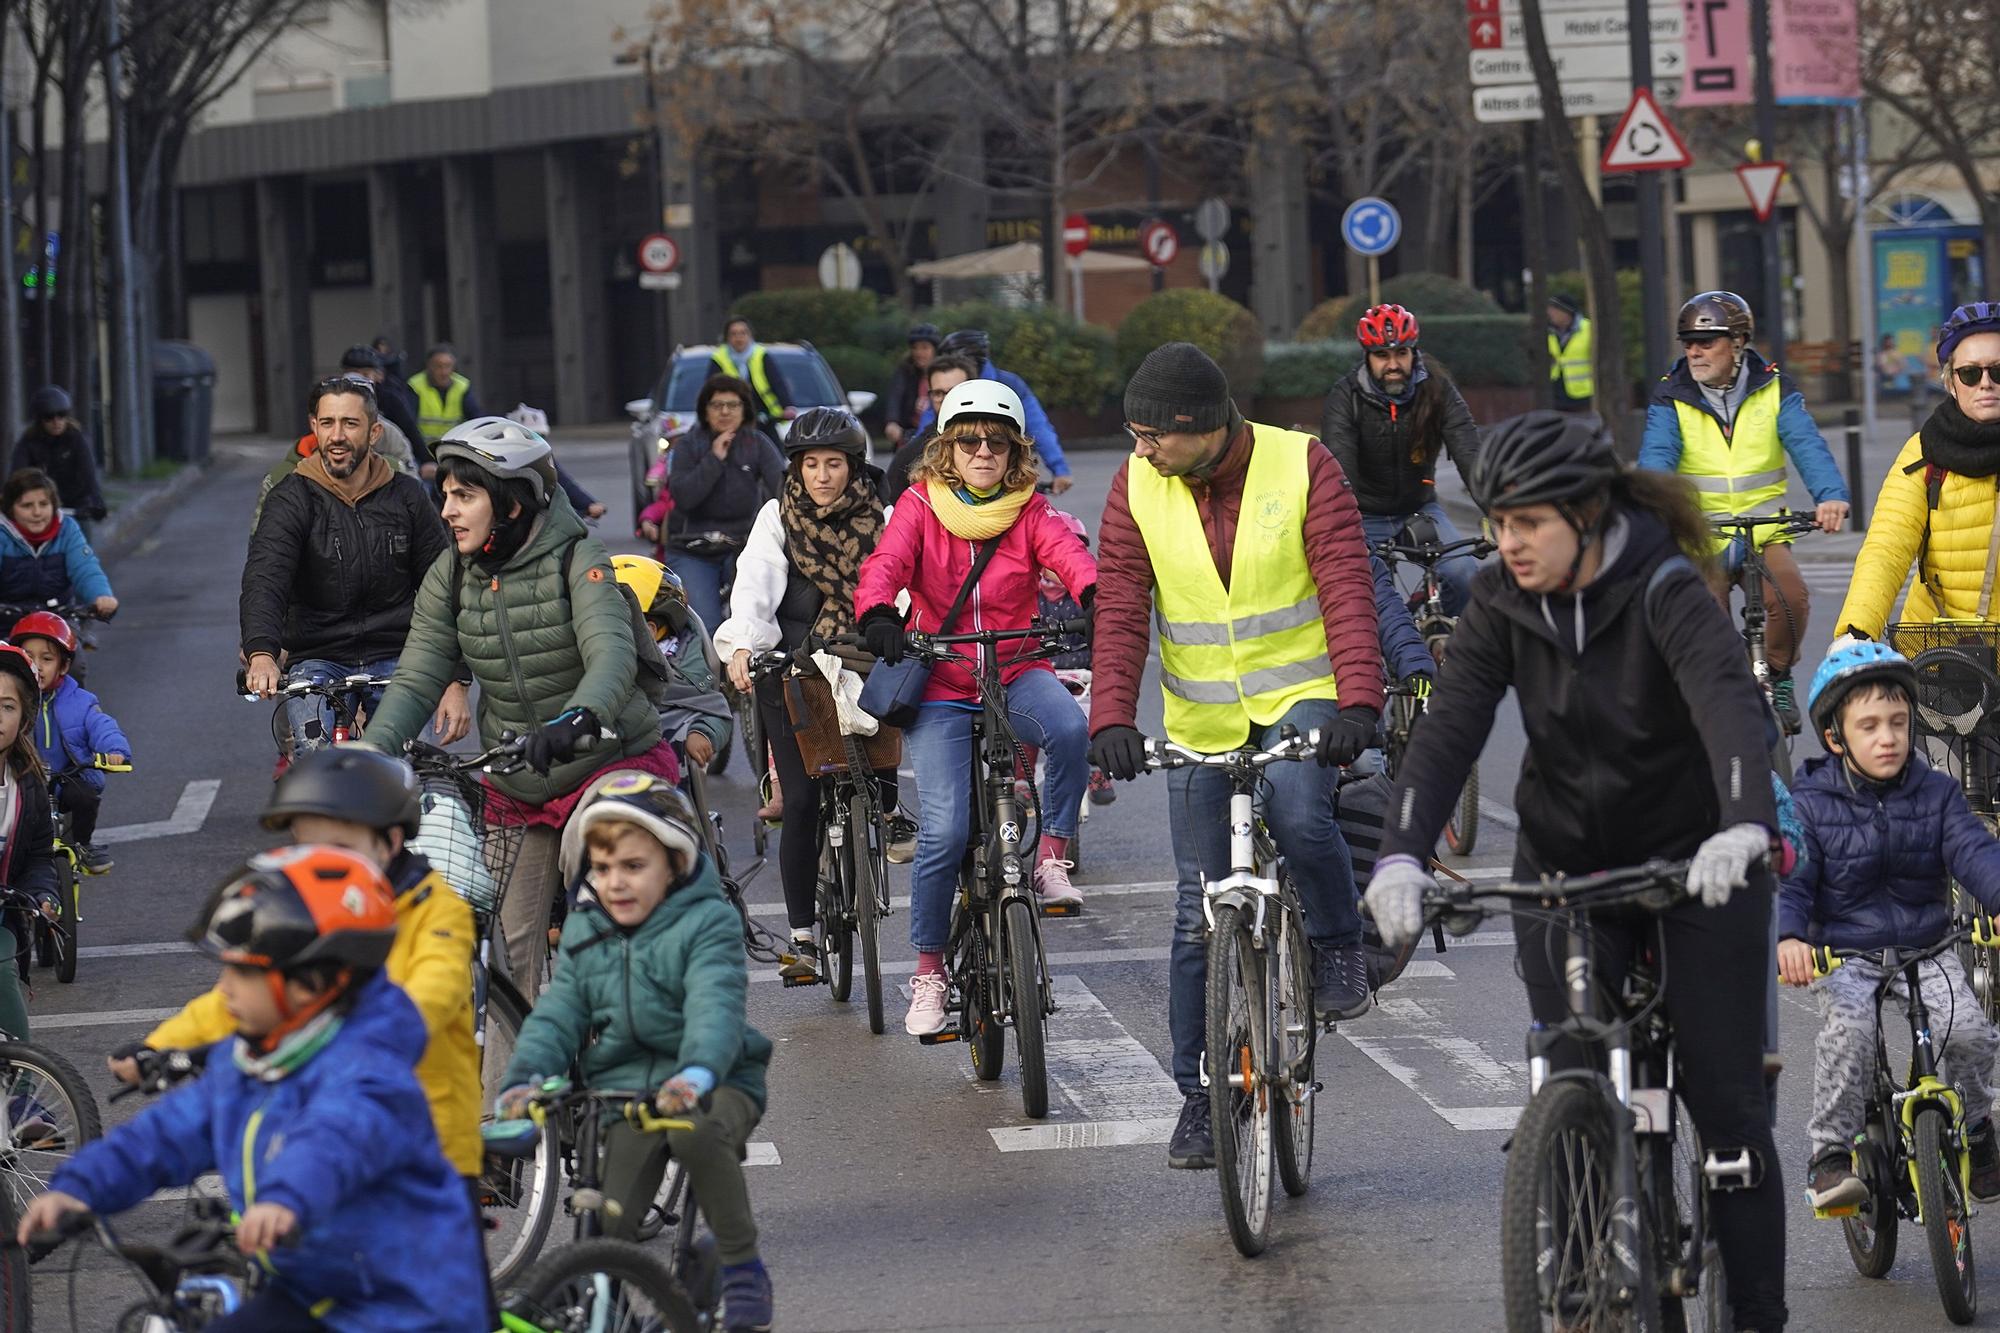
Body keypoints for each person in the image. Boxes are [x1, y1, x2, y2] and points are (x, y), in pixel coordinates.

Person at [1364, 410, 1790, 1332]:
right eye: (1497, 520)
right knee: (1572, 1064)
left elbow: (1728, 705)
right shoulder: (1502, 602)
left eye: (1527, 523)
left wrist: (1743, 825)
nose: (1505, 542)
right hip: (1563, 864)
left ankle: (1758, 1314)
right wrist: (1401, 849)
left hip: (1697, 864)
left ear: (1589, 514)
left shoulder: (1667, 589)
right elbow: (1448, 733)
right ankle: (1592, 1266)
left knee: (1726, 1107)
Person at [1086, 343, 1384, 1167]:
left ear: (1201, 425)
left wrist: (1359, 700)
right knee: (1195, 912)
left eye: (1152, 434)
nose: (1140, 449)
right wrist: (1110, 716)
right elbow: (1119, 604)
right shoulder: (1136, 484)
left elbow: (1346, 586)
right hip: (1202, 714)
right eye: (1133, 433)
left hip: (1304, 695)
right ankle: (1202, 1098)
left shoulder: (1302, 464)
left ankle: (1336, 942)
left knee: (1297, 806)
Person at [20, 846, 490, 1333]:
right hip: (313, 1292)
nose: (224, 988)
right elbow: (166, 1134)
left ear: (311, 982)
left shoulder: (369, 1072)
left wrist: (284, 1199)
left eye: (243, 971)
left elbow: (334, 1139)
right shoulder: (248, 1061)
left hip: (409, 1306)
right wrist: (81, 1188)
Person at [108, 750, 488, 1298]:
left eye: (340, 848)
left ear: (390, 842)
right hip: (322, 1139)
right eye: (305, 847)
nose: (319, 863)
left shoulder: (436, 910)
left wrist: (345, 1037)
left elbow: (431, 993)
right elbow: (233, 1000)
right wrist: (159, 1046)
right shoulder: (302, 913)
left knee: (449, 1303)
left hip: (426, 1147)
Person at [360, 418, 672, 987]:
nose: (448, 511)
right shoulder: (450, 574)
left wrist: (580, 718)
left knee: (600, 875)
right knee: (506, 947)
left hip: (605, 757)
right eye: (445, 496)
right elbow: (417, 676)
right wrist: (366, 758)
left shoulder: (579, 557)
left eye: (465, 496)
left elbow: (611, 656)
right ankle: (524, 1073)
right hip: (516, 778)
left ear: (510, 504)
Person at [857, 379, 1097, 1035]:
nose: (983, 450)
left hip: (1018, 671)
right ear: (948, 449)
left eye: (997, 441)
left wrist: (1097, 596)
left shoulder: (1032, 511)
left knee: (1073, 729)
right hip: (941, 683)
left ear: (1015, 452)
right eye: (969, 440)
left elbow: (1070, 558)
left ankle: (1049, 856)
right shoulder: (917, 504)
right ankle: (930, 972)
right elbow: (885, 564)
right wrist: (879, 613)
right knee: (943, 832)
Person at [496, 775, 775, 1332]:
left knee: (693, 1131)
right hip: (626, 1085)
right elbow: (560, 1013)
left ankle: (743, 1266)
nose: (615, 883)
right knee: (607, 1222)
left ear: (673, 863)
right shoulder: (587, 928)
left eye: (633, 866)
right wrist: (525, 1077)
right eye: (601, 870)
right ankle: (606, 1300)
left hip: (715, 1079)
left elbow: (714, 1009)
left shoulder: (707, 922)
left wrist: (695, 1074)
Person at [1779, 642, 2000, 1212]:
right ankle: (1829, 1159)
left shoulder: (1937, 793)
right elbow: (1795, 880)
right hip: (1846, 953)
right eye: (1870, 726)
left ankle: (1977, 1129)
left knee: (1971, 1031)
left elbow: (1974, 852)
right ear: (1835, 736)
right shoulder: (1811, 803)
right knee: (1848, 1037)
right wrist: (1791, 937)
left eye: (1899, 723)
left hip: (1927, 946)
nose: (1888, 738)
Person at [714, 408, 904, 981]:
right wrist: (745, 647)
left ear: (855, 466)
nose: (822, 476)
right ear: (796, 468)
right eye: (811, 464)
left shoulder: (887, 516)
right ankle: (800, 934)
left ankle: (892, 812)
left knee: (880, 767)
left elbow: (903, 585)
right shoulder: (777, 517)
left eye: (835, 464)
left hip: (864, 661)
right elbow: (753, 587)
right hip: (791, 671)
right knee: (799, 802)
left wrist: (902, 628)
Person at [1639, 289, 1851, 732]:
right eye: (1689, 343)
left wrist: (1829, 495)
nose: (1695, 351)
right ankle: (1718, 697)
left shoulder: (1775, 388)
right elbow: (1656, 460)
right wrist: (1652, 509)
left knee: (1790, 599)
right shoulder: (1670, 397)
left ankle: (1777, 674)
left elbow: (1806, 443)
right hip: (1701, 533)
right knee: (1703, 617)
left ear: (1738, 343)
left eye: (1708, 341)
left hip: (1765, 528)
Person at [240, 377, 468, 758]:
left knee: (409, 771)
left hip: (400, 653)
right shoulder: (290, 497)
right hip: (316, 656)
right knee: (315, 765)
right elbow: (266, 577)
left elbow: (444, 588)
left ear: (374, 432)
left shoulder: (407, 495)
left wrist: (455, 677)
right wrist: (261, 652)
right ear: (314, 428)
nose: (337, 435)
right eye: (327, 423)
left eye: (350, 423)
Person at [1836, 303, 2000, 642]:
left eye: (1998, 372)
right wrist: (1856, 631)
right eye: (1970, 373)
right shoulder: (1924, 451)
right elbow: (1887, 546)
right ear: (1952, 383)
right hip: (1943, 655)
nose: (1985, 384)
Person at [1320, 303, 1484, 616]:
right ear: (1367, 357)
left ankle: (1433, 630)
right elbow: (1340, 472)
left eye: (1402, 354)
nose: (1393, 364)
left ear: (1414, 353)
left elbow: (1470, 455)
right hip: (1363, 515)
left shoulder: (1438, 390)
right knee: (1368, 598)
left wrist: (1502, 514)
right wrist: (1341, 530)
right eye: (1382, 356)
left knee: (1464, 576)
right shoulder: (1346, 397)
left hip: (1419, 508)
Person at [654, 374, 786, 634]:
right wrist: (714, 458)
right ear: (705, 410)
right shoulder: (688, 446)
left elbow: (783, 490)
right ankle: (711, 674)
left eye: (733, 405)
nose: (725, 411)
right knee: (706, 626)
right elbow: (685, 497)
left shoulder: (757, 443)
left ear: (744, 409)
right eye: (717, 405)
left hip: (744, 545)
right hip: (692, 547)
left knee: (753, 620)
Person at [12, 611, 127, 872]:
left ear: (64, 666)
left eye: (47, 659)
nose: (37, 666)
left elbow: (101, 725)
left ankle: (82, 844)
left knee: (85, 796)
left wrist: (113, 750)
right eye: (29, 657)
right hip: (24, 777)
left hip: (67, 776)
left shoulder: (80, 701)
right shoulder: (9, 700)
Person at [612, 553, 734, 777]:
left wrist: (702, 733)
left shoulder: (683, 672)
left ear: (648, 630)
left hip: (664, 777)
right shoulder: (586, 659)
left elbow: (714, 708)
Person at [909, 329, 1073, 492]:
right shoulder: (951, 386)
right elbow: (928, 426)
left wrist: (1060, 470)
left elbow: (1038, 428)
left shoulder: (1010, 385)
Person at [0, 644, 58, 1041]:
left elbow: (38, 855)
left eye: (6, 706)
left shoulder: (28, 783)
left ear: (23, 718)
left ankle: (18, 1094)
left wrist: (41, 893)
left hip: (1, 918)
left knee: (2, 970)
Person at [0, 468, 115, 619]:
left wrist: (101, 595)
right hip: (7, 624)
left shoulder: (67, 529)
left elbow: (85, 568)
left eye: (44, 504)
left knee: (78, 641)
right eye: (27, 506)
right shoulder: (2, 534)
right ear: (11, 510)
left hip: (59, 620)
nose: (37, 512)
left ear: (54, 506)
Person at [883, 353, 975, 504]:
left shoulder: (998, 442)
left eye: (954, 391)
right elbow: (889, 508)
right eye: (938, 393)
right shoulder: (911, 454)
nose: (946, 399)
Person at [12, 386, 105, 530]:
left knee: (82, 546)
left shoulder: (77, 439)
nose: (56, 421)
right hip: (42, 506)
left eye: (61, 415)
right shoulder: (28, 443)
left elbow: (89, 473)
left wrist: (96, 501)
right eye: (49, 417)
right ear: (40, 420)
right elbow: (17, 476)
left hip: (76, 504)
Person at [339, 345, 429, 471]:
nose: (357, 380)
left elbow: (410, 432)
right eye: (352, 373)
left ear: (378, 376)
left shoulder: (390, 402)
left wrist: (427, 461)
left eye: (365, 374)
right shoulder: (330, 398)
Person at [712, 317, 786, 424]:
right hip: (731, 420)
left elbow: (777, 382)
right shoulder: (719, 358)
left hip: (765, 418)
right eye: (734, 334)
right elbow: (711, 389)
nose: (739, 338)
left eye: (743, 333)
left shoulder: (761, 355)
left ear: (750, 336)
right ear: (727, 338)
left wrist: (787, 406)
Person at [408, 342, 483, 447]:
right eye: (438, 366)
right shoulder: (415, 386)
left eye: (448, 366)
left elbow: (476, 419)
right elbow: (409, 426)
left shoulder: (462, 386)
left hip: (453, 451)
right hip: (423, 451)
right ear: (429, 366)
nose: (444, 372)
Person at [883, 323, 941, 448]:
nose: (919, 352)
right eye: (915, 348)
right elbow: (895, 396)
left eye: (925, 348)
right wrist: (892, 422)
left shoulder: (944, 372)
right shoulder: (905, 371)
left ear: (935, 350)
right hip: (909, 435)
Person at [1546, 295, 1594, 413]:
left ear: (1566, 312)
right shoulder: (1549, 331)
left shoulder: (1589, 329)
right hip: (1556, 393)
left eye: (1554, 309)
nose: (1550, 313)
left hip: (1584, 394)